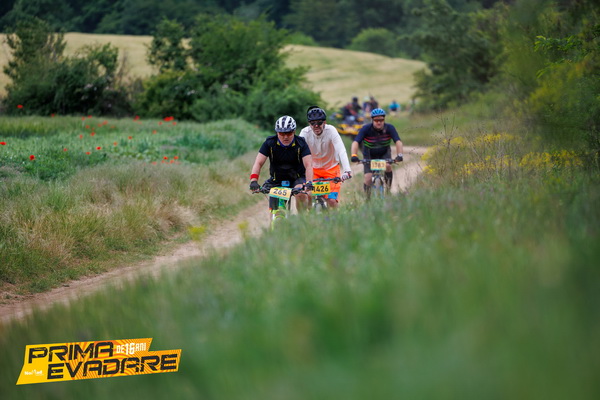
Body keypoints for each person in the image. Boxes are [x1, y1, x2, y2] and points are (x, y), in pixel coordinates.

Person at [249, 115, 313, 212]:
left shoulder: (301, 143)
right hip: (277, 179)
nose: (285, 137)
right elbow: (258, 162)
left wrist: (309, 182)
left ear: (294, 131)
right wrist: (254, 180)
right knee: (276, 211)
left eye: (289, 133)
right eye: (282, 133)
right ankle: (276, 220)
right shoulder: (270, 143)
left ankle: (302, 219)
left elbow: (308, 165)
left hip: (297, 179)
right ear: (277, 133)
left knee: (301, 194)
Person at [299, 106, 352, 209]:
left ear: (324, 122)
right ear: (309, 124)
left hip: (331, 169)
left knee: (332, 201)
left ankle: (335, 219)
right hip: (313, 170)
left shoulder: (331, 130)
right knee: (308, 195)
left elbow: (341, 150)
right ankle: (309, 216)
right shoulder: (305, 133)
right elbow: (298, 153)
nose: (316, 126)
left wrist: (347, 170)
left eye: (319, 123)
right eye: (312, 123)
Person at [350, 108, 403, 197]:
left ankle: (388, 190)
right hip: (369, 154)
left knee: (388, 166)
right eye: (376, 120)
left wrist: (400, 155)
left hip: (384, 152)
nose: (379, 122)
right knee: (368, 178)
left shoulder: (390, 128)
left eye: (381, 120)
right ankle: (367, 199)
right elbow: (356, 142)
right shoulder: (366, 128)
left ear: (384, 119)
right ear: (372, 120)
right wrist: (354, 155)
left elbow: (398, 142)